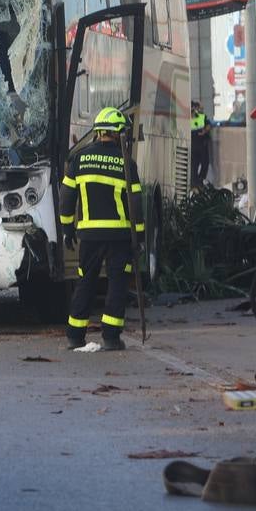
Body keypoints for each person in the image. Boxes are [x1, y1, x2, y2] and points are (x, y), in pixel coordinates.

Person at [58, 106, 144, 352]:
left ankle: (75, 335)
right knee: (117, 284)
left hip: (89, 236)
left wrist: (67, 229)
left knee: (86, 281)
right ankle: (111, 338)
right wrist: (138, 236)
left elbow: (66, 198)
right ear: (117, 134)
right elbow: (135, 204)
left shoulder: (78, 159)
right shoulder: (126, 163)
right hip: (119, 236)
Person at [190, 100, 213, 188]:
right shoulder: (185, 119)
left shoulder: (201, 117)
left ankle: (200, 181)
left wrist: (205, 131)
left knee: (205, 163)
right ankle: (194, 183)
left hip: (202, 143)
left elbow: (208, 124)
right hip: (193, 144)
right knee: (194, 165)